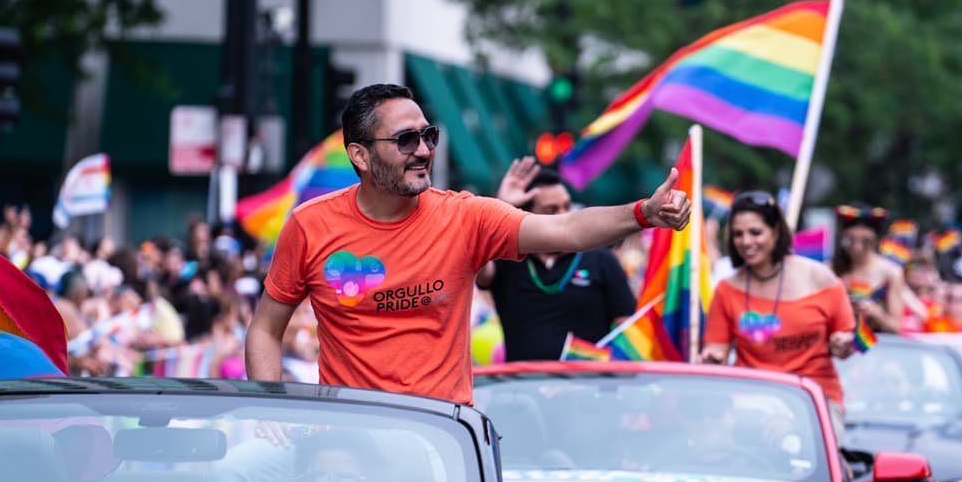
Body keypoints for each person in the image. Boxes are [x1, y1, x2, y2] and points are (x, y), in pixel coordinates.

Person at [245, 84, 689, 405]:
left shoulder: (465, 215)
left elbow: (567, 230)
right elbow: (265, 329)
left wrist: (642, 214)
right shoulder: (310, 224)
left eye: (428, 136)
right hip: (349, 445)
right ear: (360, 155)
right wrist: (268, 409)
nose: (423, 150)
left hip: (441, 439)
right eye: (405, 140)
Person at [700, 192, 857, 431]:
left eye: (755, 232)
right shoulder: (726, 289)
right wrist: (712, 358)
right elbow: (716, 349)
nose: (746, 242)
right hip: (749, 405)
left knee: (788, 437)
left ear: (775, 231)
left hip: (814, 400)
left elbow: (848, 340)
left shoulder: (820, 278)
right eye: (738, 234)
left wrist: (844, 344)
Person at [476, 163, 636, 361]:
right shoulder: (505, 258)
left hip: (592, 387)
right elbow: (479, 264)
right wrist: (500, 207)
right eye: (551, 210)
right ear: (525, 215)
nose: (563, 216)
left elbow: (628, 333)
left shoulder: (600, 259)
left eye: (567, 206)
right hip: (521, 387)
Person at [830, 205, 904, 334]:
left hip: (877, 348)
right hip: (837, 345)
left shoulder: (891, 272)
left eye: (865, 242)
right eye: (850, 241)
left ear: (876, 240)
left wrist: (874, 312)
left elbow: (896, 327)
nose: (857, 247)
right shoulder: (830, 268)